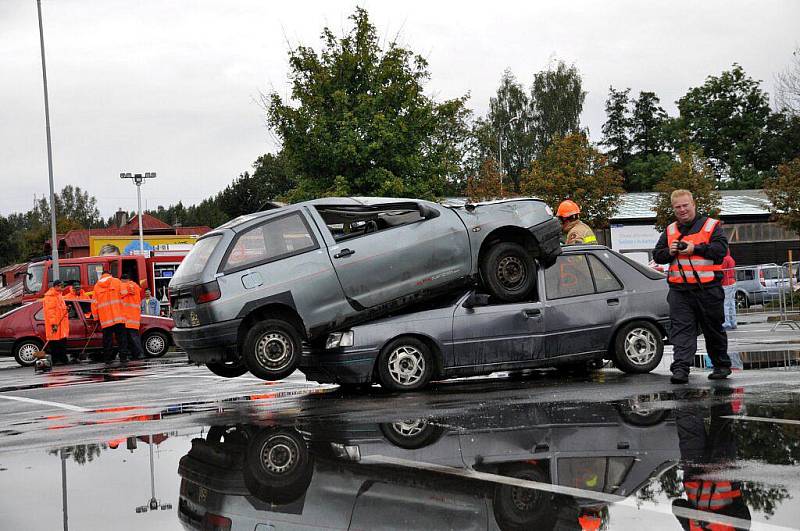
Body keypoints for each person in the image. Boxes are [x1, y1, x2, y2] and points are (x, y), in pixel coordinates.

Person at [653, 190, 732, 384]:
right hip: (680, 291)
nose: (682, 210)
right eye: (678, 207)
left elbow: (720, 250)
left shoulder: (711, 226)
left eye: (685, 205)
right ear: (673, 209)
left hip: (708, 289)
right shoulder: (670, 230)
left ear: (693, 204)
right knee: (681, 331)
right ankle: (680, 369)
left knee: (713, 329)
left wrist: (695, 249)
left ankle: (721, 366)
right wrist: (669, 252)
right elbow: (658, 255)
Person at [672, 387, 751, 530]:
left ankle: (685, 389)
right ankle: (721, 388)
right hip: (723, 474)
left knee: (688, 426)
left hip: (694, 473)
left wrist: (693, 516)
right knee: (722, 425)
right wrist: (714, 518)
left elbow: (677, 505)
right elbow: (743, 515)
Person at [91, 269, 130, 363]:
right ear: (110, 274)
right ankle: (123, 358)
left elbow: (94, 304)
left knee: (107, 340)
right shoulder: (117, 281)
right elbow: (125, 293)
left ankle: (108, 359)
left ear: (102, 275)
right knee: (121, 339)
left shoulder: (96, 286)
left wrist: (96, 318)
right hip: (118, 317)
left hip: (105, 319)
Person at [43, 280, 71, 365]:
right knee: (55, 343)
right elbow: (50, 312)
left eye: (62, 286)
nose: (62, 288)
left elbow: (60, 310)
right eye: (60, 286)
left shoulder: (59, 296)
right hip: (55, 325)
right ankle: (56, 360)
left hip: (61, 325)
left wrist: (67, 309)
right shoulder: (50, 297)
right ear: (55, 287)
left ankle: (63, 360)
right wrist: (53, 324)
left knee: (62, 342)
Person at [120, 274, 144, 360]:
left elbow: (120, 295)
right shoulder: (136, 286)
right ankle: (137, 354)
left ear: (122, 280)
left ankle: (138, 353)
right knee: (134, 336)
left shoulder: (123, 285)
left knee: (130, 337)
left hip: (127, 316)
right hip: (135, 316)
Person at [722, 251, 737, 330]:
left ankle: (726, 323)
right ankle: (733, 322)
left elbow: (723, 272)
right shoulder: (731, 259)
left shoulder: (724, 259)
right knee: (731, 303)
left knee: (725, 304)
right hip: (732, 282)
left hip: (726, 283)